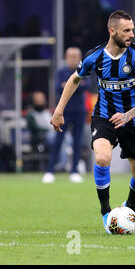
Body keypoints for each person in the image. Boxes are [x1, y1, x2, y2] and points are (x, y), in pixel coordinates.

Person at [50, 10, 135, 234]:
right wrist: (59, 110)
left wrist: (129, 114)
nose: (131, 34)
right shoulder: (95, 56)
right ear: (112, 31)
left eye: (132, 30)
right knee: (101, 157)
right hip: (104, 116)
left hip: (133, 120)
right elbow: (74, 79)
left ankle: (131, 209)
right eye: (126, 31)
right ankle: (106, 214)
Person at [42, 47, 88, 184]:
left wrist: (68, 85)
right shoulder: (61, 71)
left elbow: (85, 86)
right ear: (66, 57)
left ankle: (74, 170)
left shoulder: (84, 69)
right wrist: (76, 85)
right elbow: (58, 88)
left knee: (77, 142)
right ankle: (50, 171)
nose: (73, 59)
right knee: (58, 141)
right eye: (71, 56)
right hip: (64, 112)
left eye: (76, 56)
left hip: (79, 111)